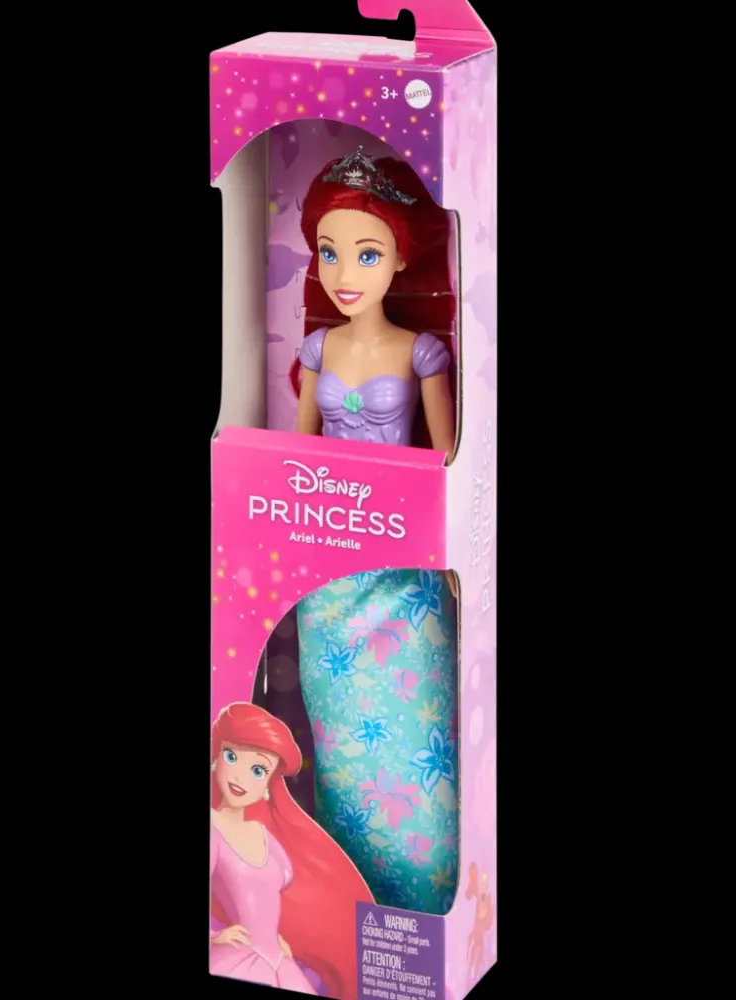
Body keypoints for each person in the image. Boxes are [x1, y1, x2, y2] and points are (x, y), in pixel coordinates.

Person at [291, 147, 460, 915]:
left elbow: (446, 456)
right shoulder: (318, 349)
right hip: (328, 571)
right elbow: (298, 452)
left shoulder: (420, 352)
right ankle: (349, 898)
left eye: (366, 253)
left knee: (415, 734)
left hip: (401, 569)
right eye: (329, 252)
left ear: (401, 257)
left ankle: (426, 898)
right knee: (341, 745)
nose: (343, 273)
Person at [209, 702, 373, 998]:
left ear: (269, 784)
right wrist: (214, 935)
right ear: (215, 757)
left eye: (257, 770)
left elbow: (273, 896)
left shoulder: (264, 834)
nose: (240, 777)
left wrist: (278, 938)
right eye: (231, 756)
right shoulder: (213, 828)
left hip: (279, 959)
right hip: (238, 959)